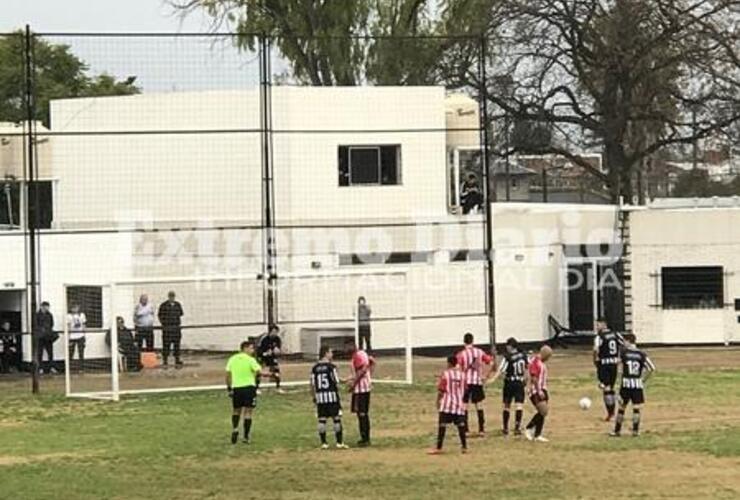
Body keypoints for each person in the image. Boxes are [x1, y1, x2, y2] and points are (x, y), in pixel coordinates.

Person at [611, 334, 656, 437]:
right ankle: (635, 431)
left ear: (628, 341)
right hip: (637, 384)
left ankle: (617, 430)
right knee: (636, 408)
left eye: (624, 341)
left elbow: (617, 364)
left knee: (622, 407)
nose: (624, 344)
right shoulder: (642, 354)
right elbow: (651, 368)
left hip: (626, 384)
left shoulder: (624, 353)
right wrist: (643, 380)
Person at [225, 340, 265, 445]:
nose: (253, 350)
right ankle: (246, 436)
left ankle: (235, 428)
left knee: (236, 410)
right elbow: (259, 372)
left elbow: (228, 375)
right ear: (245, 348)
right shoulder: (250, 360)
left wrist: (229, 388)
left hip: (237, 388)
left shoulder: (232, 359)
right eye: (251, 348)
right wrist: (271, 375)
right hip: (249, 388)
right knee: (248, 412)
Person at [310, 346, 349, 450]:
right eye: (330, 352)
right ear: (326, 353)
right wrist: (346, 380)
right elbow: (336, 380)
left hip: (320, 398)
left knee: (321, 420)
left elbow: (312, 384)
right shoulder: (331, 367)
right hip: (331, 396)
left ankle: (324, 443)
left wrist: (314, 397)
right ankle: (339, 442)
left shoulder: (314, 368)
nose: (332, 354)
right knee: (336, 419)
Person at [456, 332, 494, 437]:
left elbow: (458, 368)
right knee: (479, 405)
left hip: (466, 382)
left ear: (464, 342)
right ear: (473, 341)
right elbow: (491, 363)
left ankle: (466, 429)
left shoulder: (461, 354)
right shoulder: (479, 352)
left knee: (465, 405)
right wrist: (485, 375)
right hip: (477, 381)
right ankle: (481, 429)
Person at [428, 355, 468, 455]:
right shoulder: (462, 375)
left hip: (447, 404)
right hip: (458, 404)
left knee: (442, 425)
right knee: (461, 426)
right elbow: (466, 389)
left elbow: (441, 390)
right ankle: (464, 447)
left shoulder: (445, 374)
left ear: (449, 363)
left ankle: (439, 447)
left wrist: (438, 401)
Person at [490, 337, 529, 436]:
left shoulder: (507, 357)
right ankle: (517, 427)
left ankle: (506, 427)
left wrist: (493, 379)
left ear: (510, 346)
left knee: (506, 405)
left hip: (510, 382)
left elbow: (501, 370)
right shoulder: (523, 355)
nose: (506, 348)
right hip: (519, 381)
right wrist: (526, 378)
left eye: (507, 346)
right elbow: (528, 366)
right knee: (519, 405)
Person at [594, 318, 623, 421]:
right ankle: (614, 408)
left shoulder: (599, 337)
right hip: (614, 364)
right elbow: (623, 345)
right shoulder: (616, 334)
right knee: (610, 386)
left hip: (604, 364)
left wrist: (596, 362)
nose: (596, 327)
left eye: (598, 325)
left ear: (603, 324)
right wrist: (620, 357)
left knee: (606, 387)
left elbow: (596, 350)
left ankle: (611, 413)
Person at [347, 340, 375, 447]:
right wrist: (370, 376)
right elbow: (372, 362)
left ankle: (365, 438)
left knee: (361, 414)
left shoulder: (357, 356)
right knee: (363, 414)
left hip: (360, 390)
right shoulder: (363, 353)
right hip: (366, 388)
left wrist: (353, 384)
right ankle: (365, 437)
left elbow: (362, 371)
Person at [525, 345, 552, 443]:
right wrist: (539, 390)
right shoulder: (535, 362)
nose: (548, 359)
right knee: (543, 411)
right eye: (548, 356)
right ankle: (529, 428)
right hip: (536, 390)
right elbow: (534, 378)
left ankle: (537, 434)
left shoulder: (541, 362)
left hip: (543, 389)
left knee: (543, 412)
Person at [158, 291, 184, 368]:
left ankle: (177, 359)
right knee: (166, 345)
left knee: (177, 345)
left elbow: (181, 314)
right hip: (167, 329)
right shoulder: (163, 305)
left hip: (176, 328)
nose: (172, 298)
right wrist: (164, 324)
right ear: (168, 296)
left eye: (173, 296)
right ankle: (165, 360)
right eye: (170, 296)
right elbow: (160, 315)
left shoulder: (177, 305)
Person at [257, 325, 284, 393]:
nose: (275, 333)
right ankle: (257, 388)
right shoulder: (264, 339)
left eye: (276, 332)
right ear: (270, 332)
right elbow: (259, 349)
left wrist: (277, 351)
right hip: (263, 357)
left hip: (272, 357)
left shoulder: (277, 339)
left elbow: (278, 349)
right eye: (273, 331)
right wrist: (264, 353)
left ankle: (278, 387)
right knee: (259, 372)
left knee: (276, 371)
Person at [35, 301, 57, 374]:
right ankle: (40, 367)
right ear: (42, 306)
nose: (47, 308)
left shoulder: (50, 315)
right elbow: (35, 324)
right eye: (45, 306)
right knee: (40, 352)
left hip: (48, 336)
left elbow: (52, 324)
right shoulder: (37, 315)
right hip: (40, 337)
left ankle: (51, 367)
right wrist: (41, 330)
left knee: (50, 352)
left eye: (47, 307)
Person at [66, 304, 87, 372]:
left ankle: (81, 368)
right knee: (70, 352)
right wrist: (68, 338)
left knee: (81, 352)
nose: (75, 309)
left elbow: (84, 325)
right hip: (72, 336)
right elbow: (68, 326)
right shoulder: (68, 316)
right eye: (73, 308)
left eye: (76, 307)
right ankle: (69, 367)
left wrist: (84, 335)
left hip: (80, 336)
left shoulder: (82, 315)